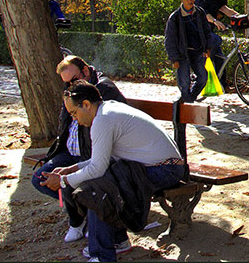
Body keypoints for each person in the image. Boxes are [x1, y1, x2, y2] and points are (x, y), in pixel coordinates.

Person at [40, 81, 184, 262]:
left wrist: (63, 181)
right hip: (158, 166)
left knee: (97, 191)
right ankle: (118, 241)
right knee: (102, 185)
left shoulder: (103, 120)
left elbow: (97, 169)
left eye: (74, 113)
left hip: (166, 169)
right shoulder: (105, 112)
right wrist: (71, 169)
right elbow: (100, 161)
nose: (74, 119)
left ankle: (102, 256)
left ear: (86, 104)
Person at [31, 56, 127, 243]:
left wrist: (71, 173)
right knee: (40, 178)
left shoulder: (103, 89)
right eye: (66, 83)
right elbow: (65, 127)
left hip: (91, 156)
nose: (70, 86)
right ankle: (81, 214)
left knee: (70, 181)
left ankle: (82, 219)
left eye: (73, 80)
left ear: (85, 71)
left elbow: (109, 127)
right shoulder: (71, 93)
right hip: (68, 154)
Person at [164, 0, 213, 103]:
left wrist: (208, 47)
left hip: (198, 52)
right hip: (183, 54)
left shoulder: (200, 12)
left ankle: (189, 99)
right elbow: (170, 40)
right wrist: (174, 59)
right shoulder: (175, 17)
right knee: (184, 83)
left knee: (203, 78)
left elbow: (207, 31)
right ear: (182, 0)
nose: (190, 1)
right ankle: (187, 103)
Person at [194, 0, 239, 86]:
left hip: (208, 32)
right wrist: (215, 21)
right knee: (216, 39)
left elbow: (225, 9)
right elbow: (204, 14)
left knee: (220, 59)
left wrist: (240, 17)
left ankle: (222, 85)